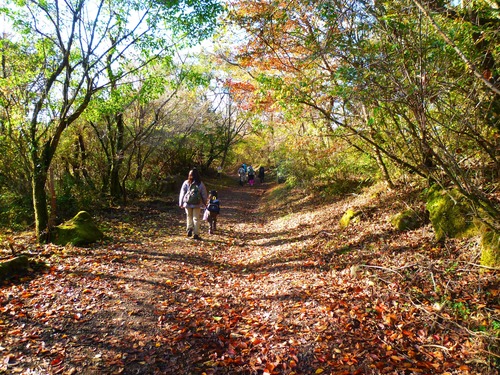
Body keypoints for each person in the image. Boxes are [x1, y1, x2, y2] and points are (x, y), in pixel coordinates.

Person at [179, 168, 208, 240]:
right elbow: (204, 194)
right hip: (197, 204)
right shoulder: (200, 183)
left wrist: (181, 202)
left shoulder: (186, 182)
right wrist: (205, 202)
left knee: (189, 216)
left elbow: (182, 192)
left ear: (189, 175)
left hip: (187, 203)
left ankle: (189, 229)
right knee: (196, 218)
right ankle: (196, 234)